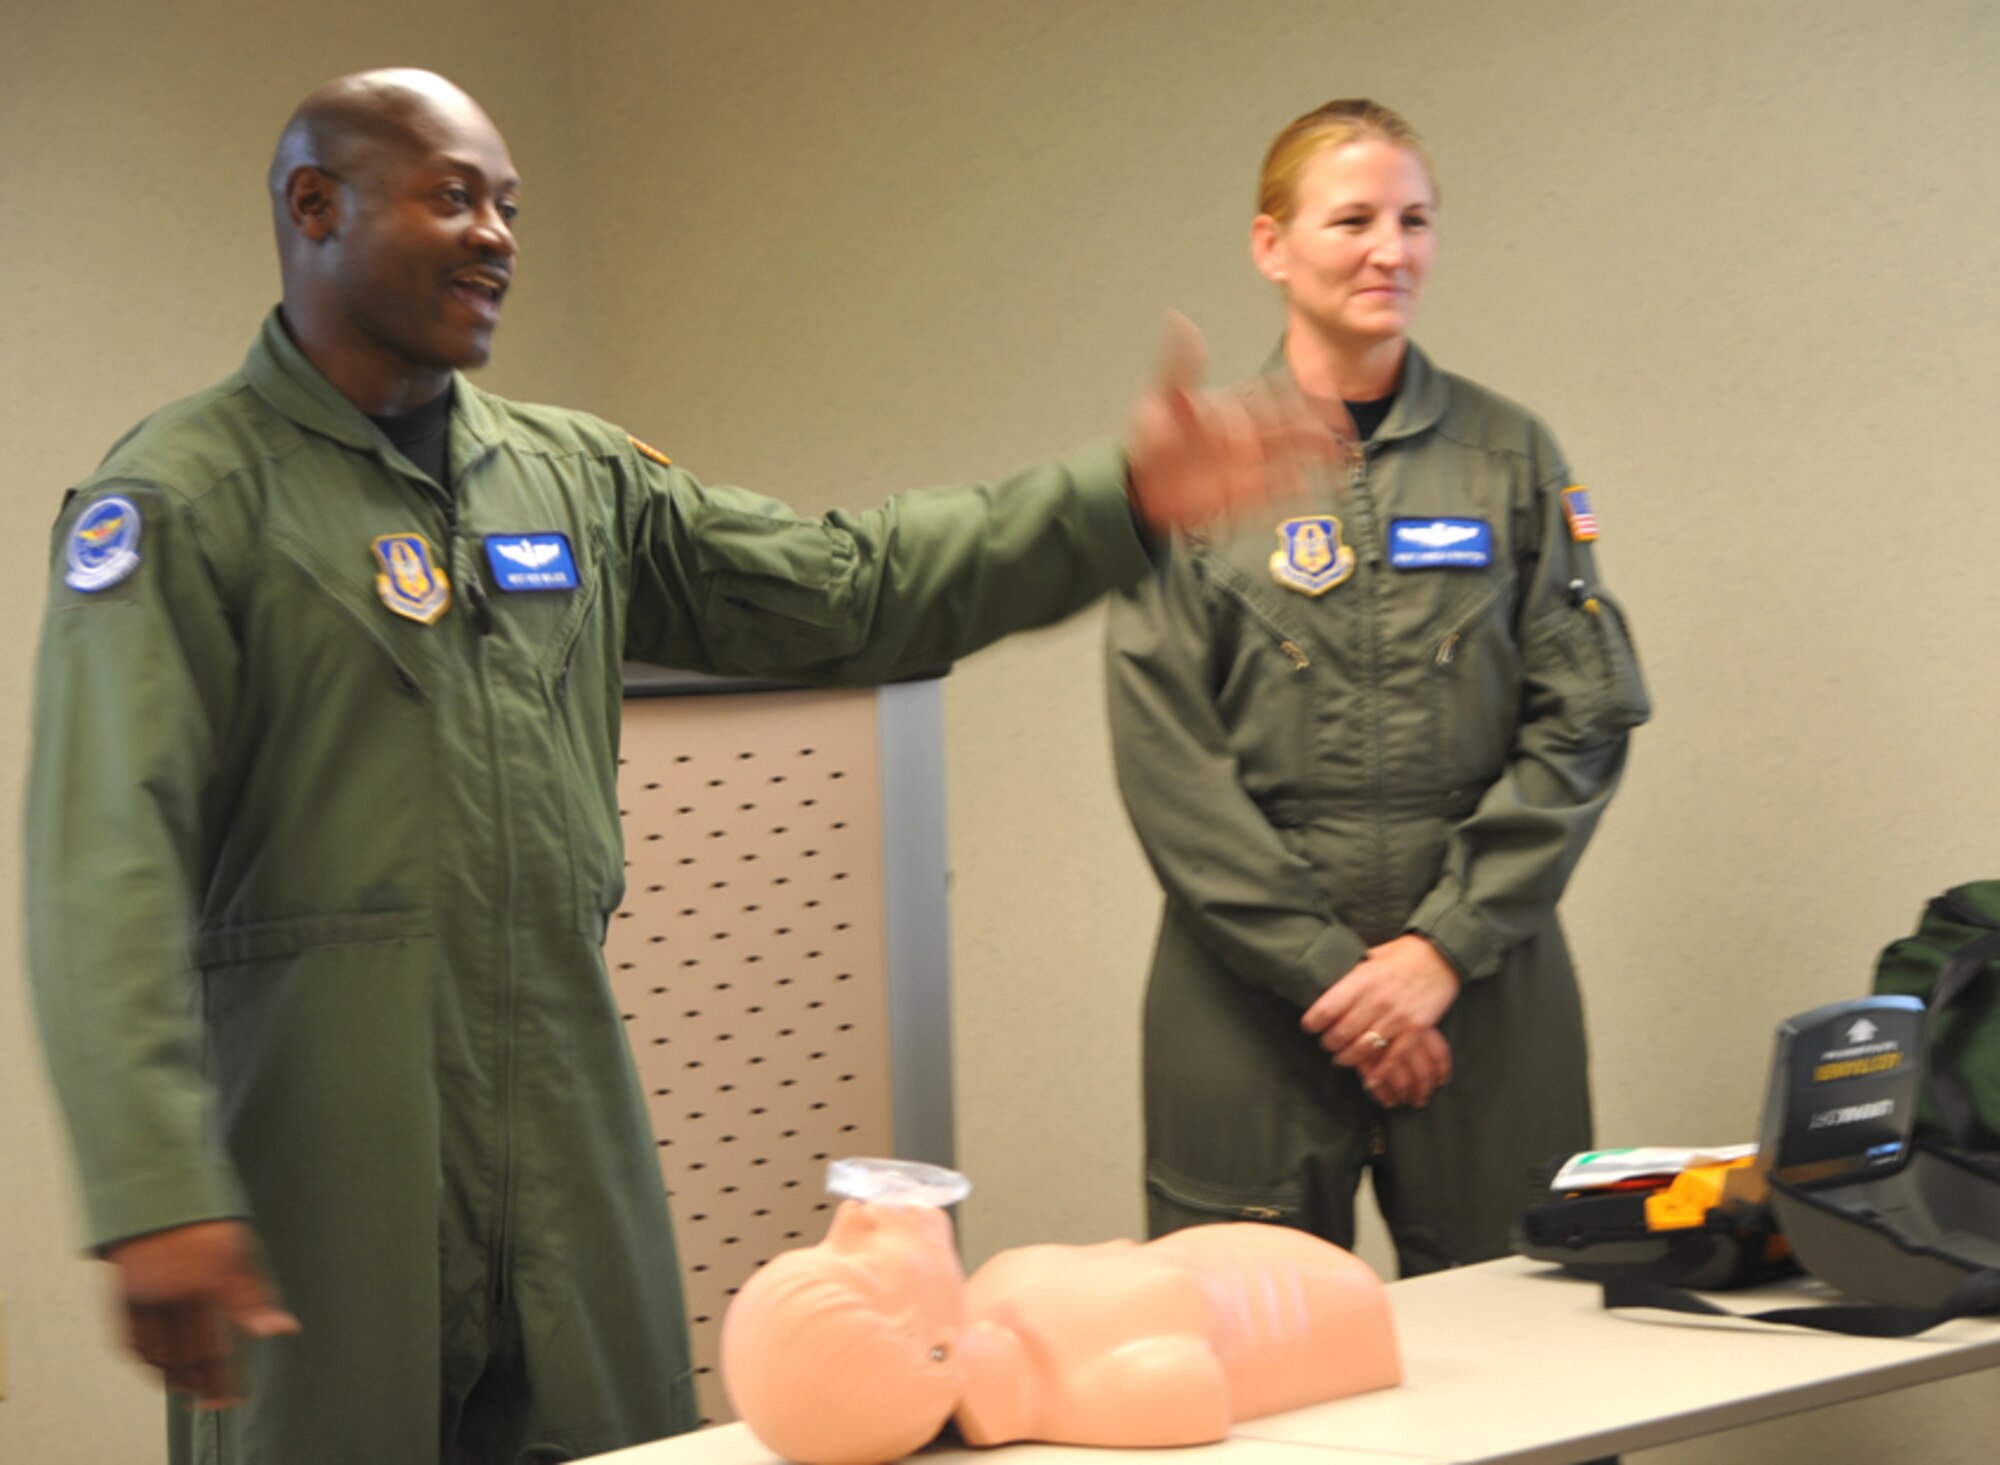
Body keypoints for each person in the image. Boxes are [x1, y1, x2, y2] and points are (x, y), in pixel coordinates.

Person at [24, 70, 1330, 1465]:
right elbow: (103, 853)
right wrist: (154, 1182)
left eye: (510, 206)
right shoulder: (183, 499)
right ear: (313, 206)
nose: (498, 236)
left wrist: (1110, 502)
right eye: (453, 196)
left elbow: (845, 590)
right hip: (322, 1157)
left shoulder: (571, 479)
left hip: (564, 1134)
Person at [1106, 99, 1650, 1277]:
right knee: (1244, 1369)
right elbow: (1166, 760)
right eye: (1351, 218)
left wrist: (1437, 953)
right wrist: (1336, 979)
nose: (1388, 250)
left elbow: (1584, 712)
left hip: (1482, 985)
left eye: (1413, 220)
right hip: (1244, 991)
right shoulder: (1198, 465)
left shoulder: (1510, 457)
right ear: (1270, 244)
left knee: (1530, 1353)